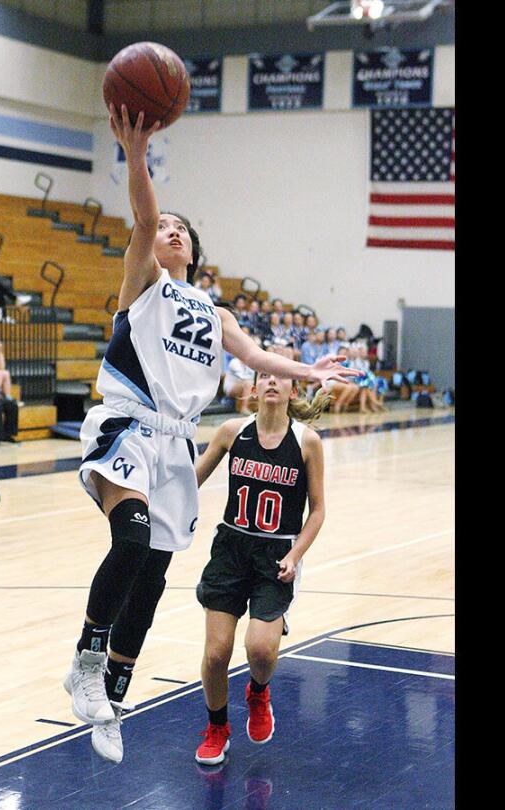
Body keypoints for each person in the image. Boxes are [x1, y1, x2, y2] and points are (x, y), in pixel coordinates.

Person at [63, 104, 361, 764]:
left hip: (175, 442)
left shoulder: (212, 309)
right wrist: (136, 157)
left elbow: (255, 358)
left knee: (154, 573)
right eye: (162, 226)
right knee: (132, 536)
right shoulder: (144, 284)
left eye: (178, 230)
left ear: (194, 250)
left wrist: (307, 366)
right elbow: (142, 215)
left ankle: (111, 692)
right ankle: (86, 656)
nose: (166, 230)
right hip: (129, 423)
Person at [191, 369, 331, 764]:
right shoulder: (232, 432)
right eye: (264, 375)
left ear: (293, 389)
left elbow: (318, 512)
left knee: (261, 649)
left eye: (280, 377)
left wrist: (294, 555)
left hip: (276, 555)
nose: (272, 381)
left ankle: (258, 691)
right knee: (217, 652)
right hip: (231, 548)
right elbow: (190, 483)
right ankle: (217, 727)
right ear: (253, 388)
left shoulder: (307, 442)